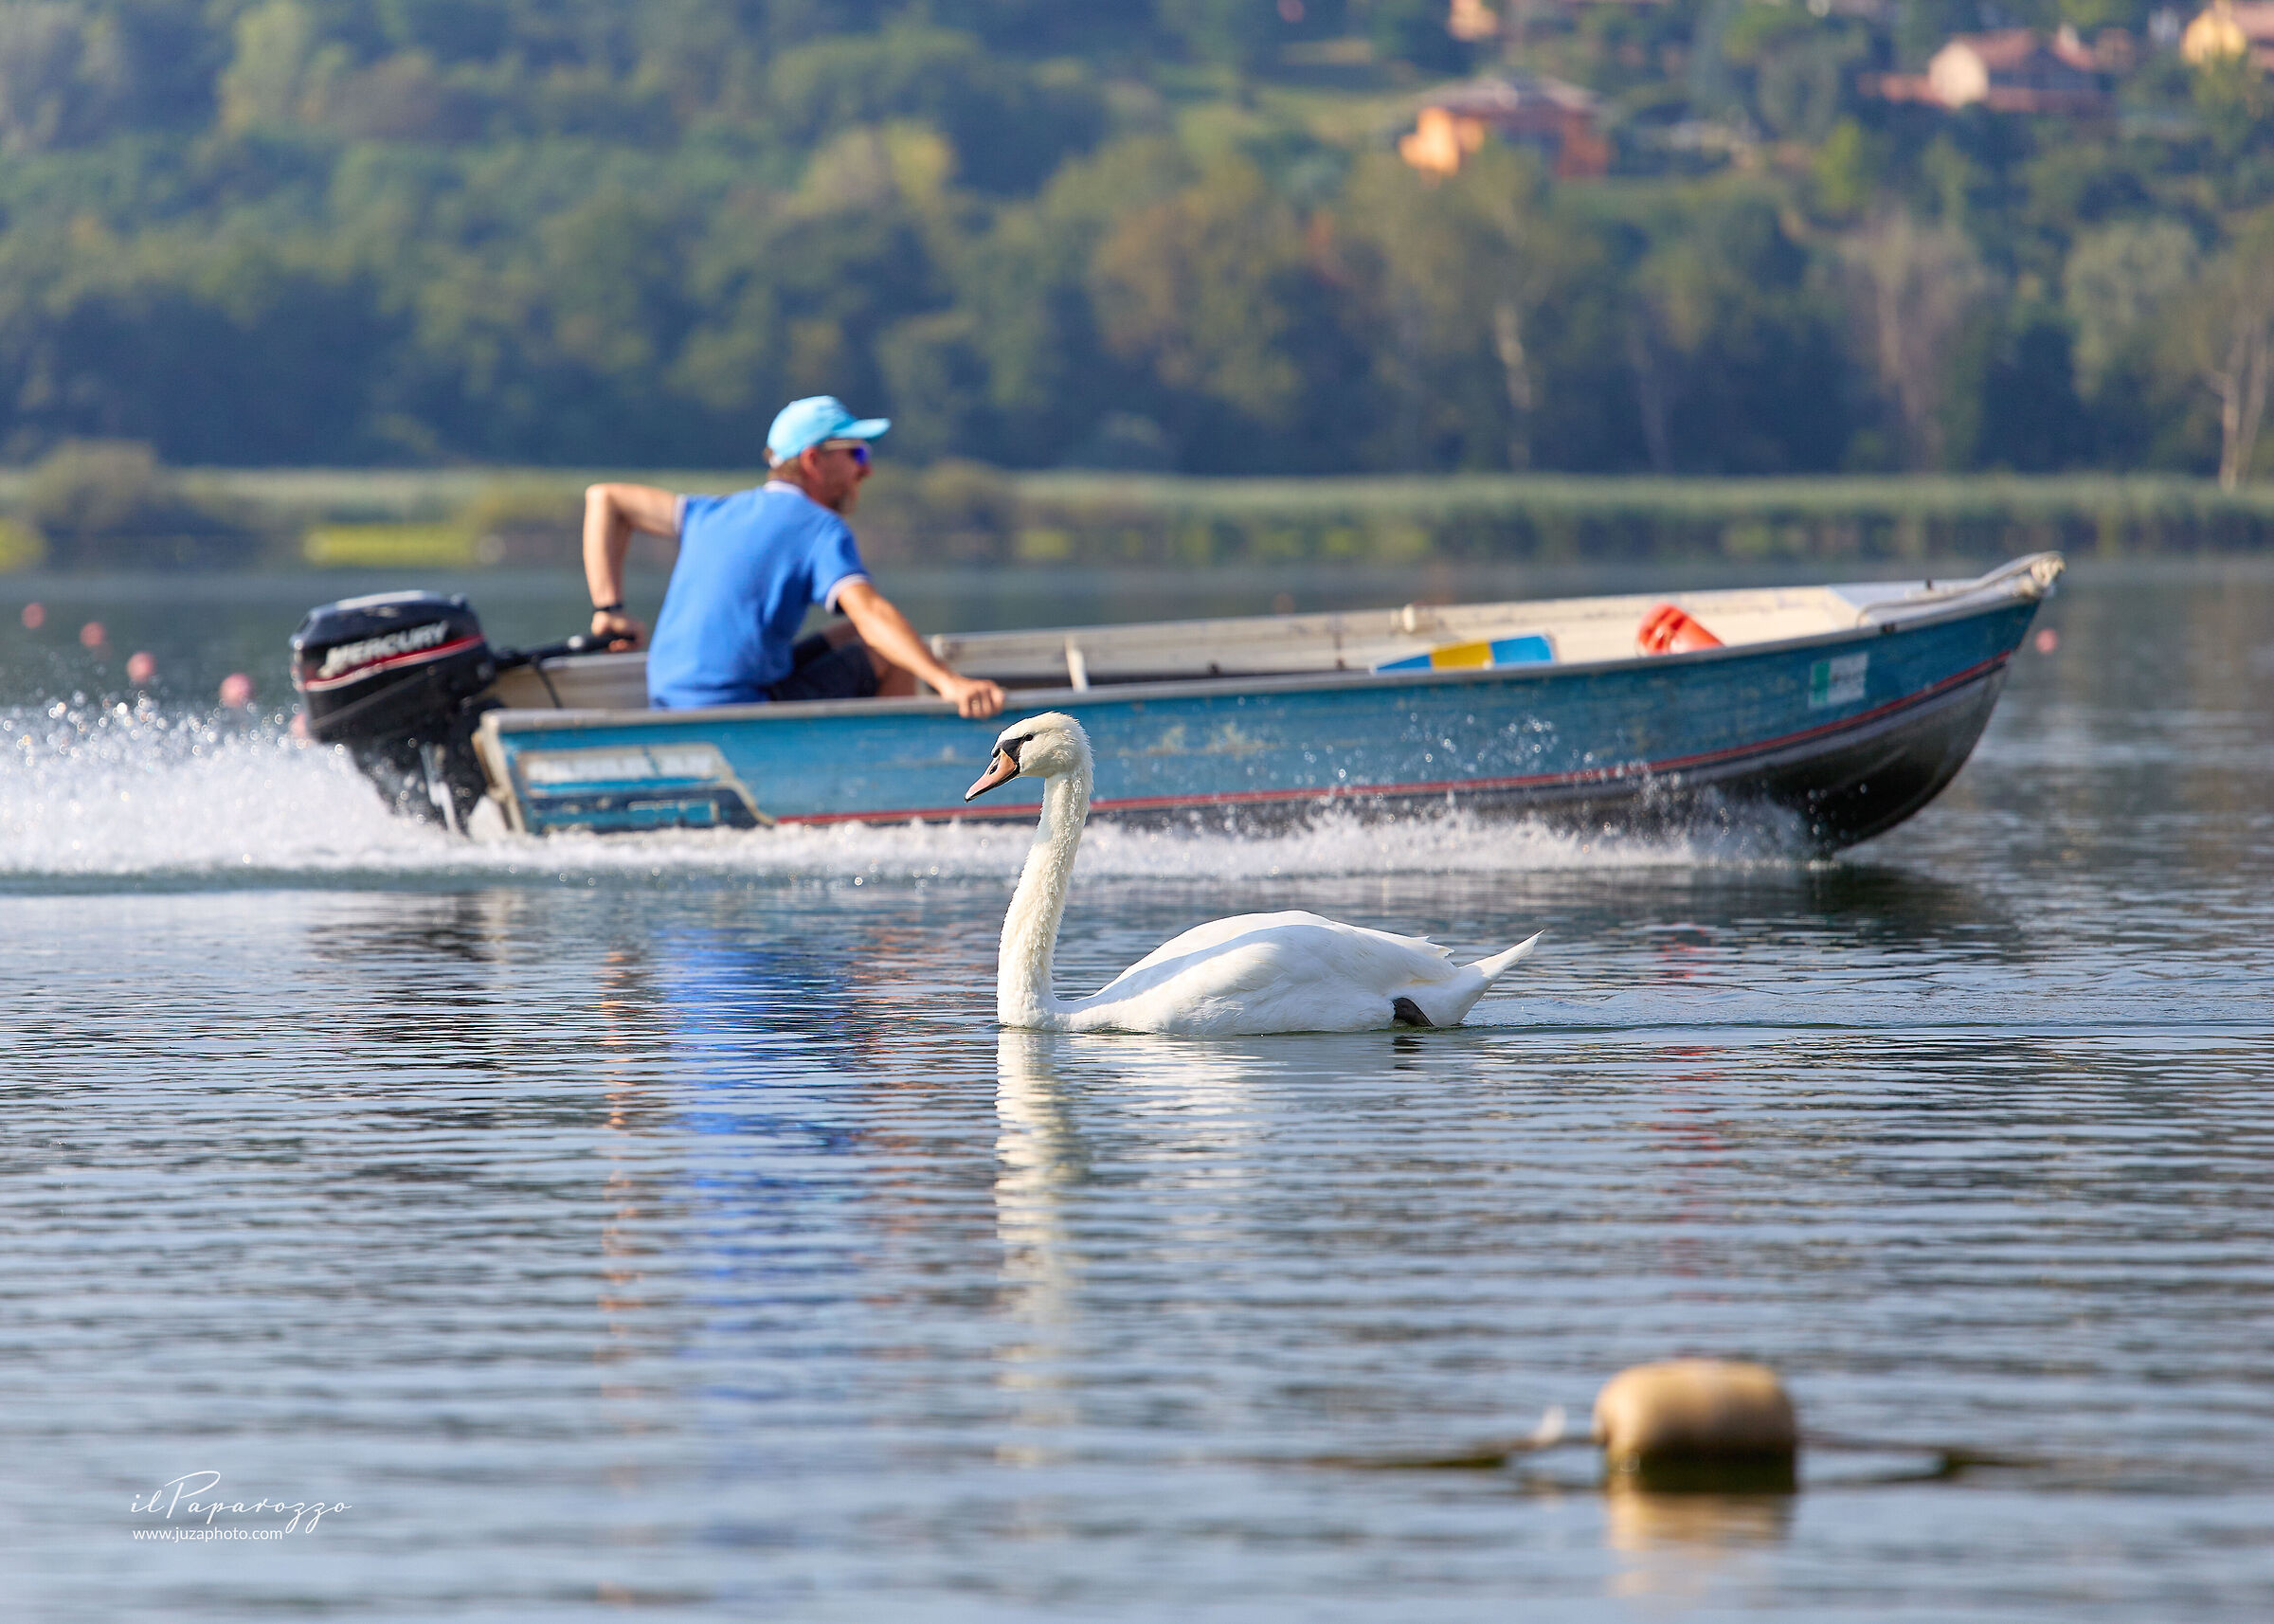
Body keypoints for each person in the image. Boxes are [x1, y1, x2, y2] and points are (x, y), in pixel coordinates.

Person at [581, 396, 1005, 718]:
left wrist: (609, 609)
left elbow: (605, 499)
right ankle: (888, 773)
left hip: (668, 701)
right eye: (856, 454)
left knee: (848, 633)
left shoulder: (712, 511)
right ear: (812, 459)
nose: (867, 469)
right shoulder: (820, 528)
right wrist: (948, 683)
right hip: (736, 708)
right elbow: (872, 612)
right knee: (886, 652)